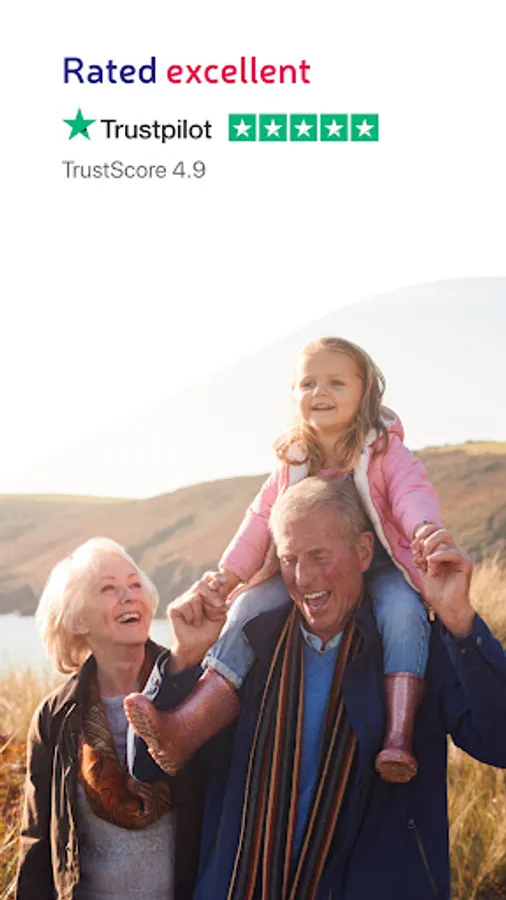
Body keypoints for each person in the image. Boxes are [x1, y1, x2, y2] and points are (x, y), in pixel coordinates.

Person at [127, 477, 506, 900]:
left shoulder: (414, 652)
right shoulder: (246, 647)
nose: (303, 578)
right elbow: (148, 766)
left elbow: (499, 743)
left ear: (364, 551)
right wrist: (182, 659)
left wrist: (461, 621)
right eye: (289, 559)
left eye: (319, 556)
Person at [126, 336, 443, 782]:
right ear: (294, 395)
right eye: (308, 383)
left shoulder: (384, 450)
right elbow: (260, 519)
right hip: (303, 567)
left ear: (366, 390)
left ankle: (397, 736)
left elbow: (412, 492)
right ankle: (185, 727)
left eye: (336, 382)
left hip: (380, 564)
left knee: (403, 612)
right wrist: (229, 575)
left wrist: (424, 530)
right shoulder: (292, 461)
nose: (320, 392)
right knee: (246, 607)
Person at [15, 538, 203, 900]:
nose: (129, 596)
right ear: (78, 619)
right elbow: (37, 840)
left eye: (135, 585)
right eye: (108, 588)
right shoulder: (55, 717)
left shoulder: (191, 690)